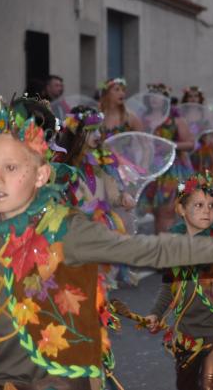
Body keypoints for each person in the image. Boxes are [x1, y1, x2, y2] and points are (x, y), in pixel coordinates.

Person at [0, 100, 213, 389]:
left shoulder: (65, 229)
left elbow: (152, 249)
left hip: (54, 376)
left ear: (41, 174)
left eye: (11, 167)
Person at [146, 173, 213, 390]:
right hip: (186, 331)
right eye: (199, 205)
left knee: (210, 384)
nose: (206, 210)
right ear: (182, 209)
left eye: (212, 206)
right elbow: (168, 286)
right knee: (186, 385)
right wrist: (155, 313)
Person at [55, 105, 136, 288]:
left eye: (99, 129)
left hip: (101, 225)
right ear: (76, 133)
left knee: (99, 283)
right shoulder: (62, 162)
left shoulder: (103, 159)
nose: (98, 135)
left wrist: (123, 197)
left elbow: (113, 191)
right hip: (74, 227)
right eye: (91, 131)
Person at [141, 83, 195, 233]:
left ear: (166, 99)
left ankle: (168, 248)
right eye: (152, 96)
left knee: (168, 211)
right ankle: (161, 245)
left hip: (171, 169)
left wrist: (171, 145)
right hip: (150, 169)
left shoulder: (175, 120)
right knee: (156, 212)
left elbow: (190, 144)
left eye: (159, 96)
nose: (154, 99)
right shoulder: (142, 119)